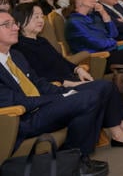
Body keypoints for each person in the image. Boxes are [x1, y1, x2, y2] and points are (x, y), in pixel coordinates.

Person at [11, 2, 123, 147]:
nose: (40, 20)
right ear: (20, 22)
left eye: (41, 16)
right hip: (59, 86)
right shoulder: (20, 48)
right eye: (35, 17)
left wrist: (77, 69)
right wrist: (71, 83)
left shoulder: (41, 40)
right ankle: (117, 134)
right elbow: (40, 77)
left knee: (108, 86)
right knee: (105, 86)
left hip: (70, 79)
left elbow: (61, 61)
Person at [0, 10, 110, 175]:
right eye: (6, 25)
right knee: (87, 98)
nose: (16, 28)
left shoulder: (15, 55)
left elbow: (39, 84)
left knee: (93, 92)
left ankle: (73, 160)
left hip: (40, 107)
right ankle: (75, 161)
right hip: (20, 119)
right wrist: (59, 97)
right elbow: (17, 101)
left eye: (14, 23)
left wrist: (65, 91)